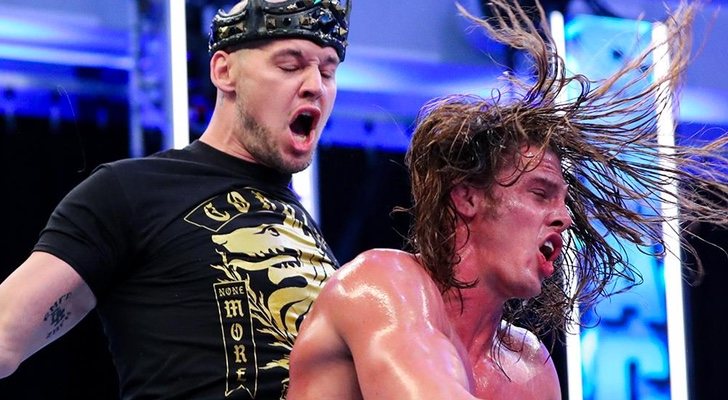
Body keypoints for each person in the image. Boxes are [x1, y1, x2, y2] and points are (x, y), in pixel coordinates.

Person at [287, 0, 728, 398]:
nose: (563, 218)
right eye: (540, 193)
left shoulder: (528, 368)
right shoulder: (384, 284)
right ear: (467, 197)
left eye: (563, 201)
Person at [0, 0, 351, 398]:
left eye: (327, 71)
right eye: (289, 65)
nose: (315, 85)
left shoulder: (307, 230)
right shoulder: (133, 191)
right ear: (224, 71)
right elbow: (5, 333)